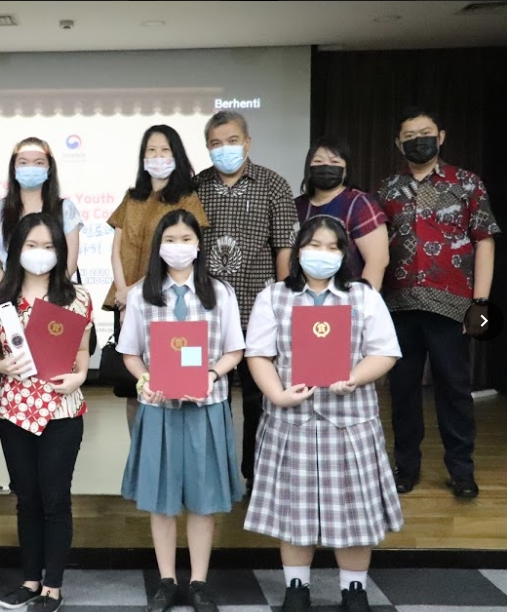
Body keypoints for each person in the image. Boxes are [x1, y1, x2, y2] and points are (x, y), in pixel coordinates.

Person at [243, 215, 404, 612]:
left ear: (344, 254)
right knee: (294, 511)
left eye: (333, 247)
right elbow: (258, 354)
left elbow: (385, 351)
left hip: (350, 422)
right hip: (290, 421)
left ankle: (354, 591)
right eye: (314, 245)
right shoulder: (274, 296)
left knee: (354, 511)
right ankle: (297, 588)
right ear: (298, 250)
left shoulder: (363, 296)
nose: (323, 254)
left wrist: (355, 377)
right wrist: (277, 394)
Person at [117, 209, 245, 612]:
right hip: (159, 409)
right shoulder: (141, 294)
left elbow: (234, 350)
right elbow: (130, 353)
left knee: (204, 501)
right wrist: (145, 379)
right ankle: (167, 580)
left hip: (206, 408)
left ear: (198, 244)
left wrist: (211, 374)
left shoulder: (219, 292)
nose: (178, 246)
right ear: (159, 246)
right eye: (170, 239)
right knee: (162, 499)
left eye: (186, 239)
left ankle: (200, 582)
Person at [377, 107, 500, 500]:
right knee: (402, 392)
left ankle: (461, 471)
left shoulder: (467, 182)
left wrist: (481, 303)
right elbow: (375, 248)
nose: (419, 140)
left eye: (425, 132)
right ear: (399, 144)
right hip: (398, 307)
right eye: (410, 136)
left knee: (454, 391)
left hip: (453, 307)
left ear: (441, 136)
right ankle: (406, 468)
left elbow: (484, 240)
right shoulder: (387, 189)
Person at [0, 213, 93, 612]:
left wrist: (79, 377)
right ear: (16, 250)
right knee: (26, 497)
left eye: (49, 246)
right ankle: (30, 581)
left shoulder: (76, 296)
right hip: (15, 410)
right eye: (32, 245)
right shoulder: (0, 298)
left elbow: (82, 352)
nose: (40, 253)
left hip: (61, 410)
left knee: (55, 498)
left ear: (60, 251)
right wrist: (0, 365)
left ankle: (53, 586)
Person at [193, 111, 298, 490]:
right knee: (208, 398)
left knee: (258, 399)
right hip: (206, 315)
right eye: (216, 143)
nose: (225, 149)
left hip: (259, 310)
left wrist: (283, 304)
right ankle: (213, 476)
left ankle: (256, 475)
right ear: (207, 147)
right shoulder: (196, 186)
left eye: (232, 141)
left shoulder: (273, 184)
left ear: (248, 142)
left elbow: (284, 246)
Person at [105, 124, 210, 431]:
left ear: (176, 155)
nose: (157, 156)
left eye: (165, 150)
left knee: (168, 377)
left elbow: (182, 254)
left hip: (165, 299)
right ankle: (139, 448)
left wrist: (134, 293)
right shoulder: (132, 197)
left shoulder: (187, 198)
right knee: (133, 384)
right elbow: (116, 249)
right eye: (151, 150)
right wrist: (123, 295)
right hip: (125, 300)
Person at [0, 137, 84, 287]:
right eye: (23, 162)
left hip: (56, 294)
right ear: (14, 168)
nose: (30, 168)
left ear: (49, 168)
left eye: (39, 163)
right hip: (10, 295)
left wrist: (49, 296)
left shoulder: (65, 208)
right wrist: (12, 295)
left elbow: (70, 264)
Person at [294, 136, 389, 289]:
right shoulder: (296, 206)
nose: (326, 166)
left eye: (335, 162)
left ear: (346, 170)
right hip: (302, 296)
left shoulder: (359, 203)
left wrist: (365, 299)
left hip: (348, 296)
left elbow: (377, 261)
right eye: (318, 161)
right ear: (308, 168)